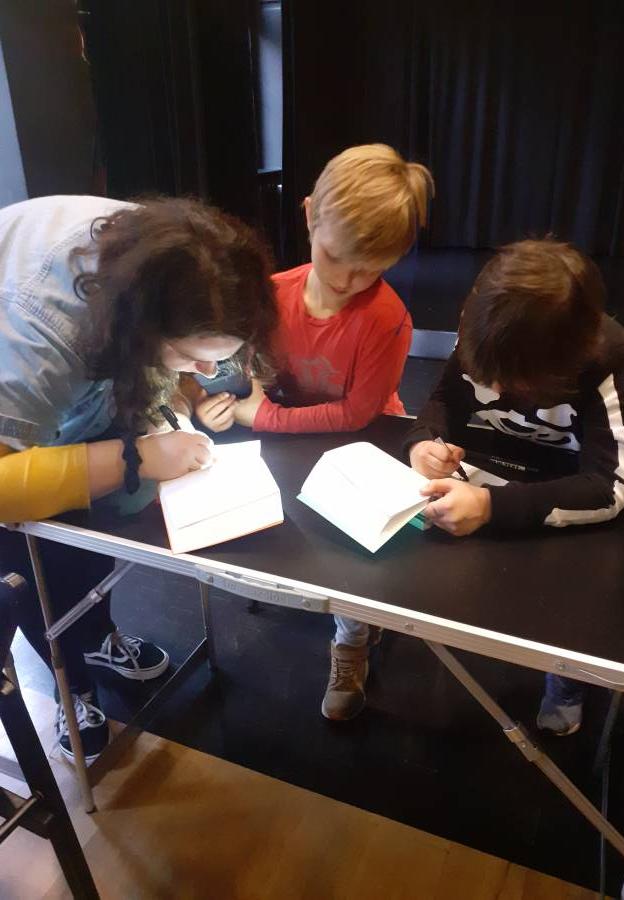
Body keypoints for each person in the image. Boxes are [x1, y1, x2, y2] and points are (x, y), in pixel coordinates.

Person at [0, 194, 276, 761]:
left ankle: (96, 637)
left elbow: (148, 368)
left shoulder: (171, 258)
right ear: (144, 330)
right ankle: (71, 687)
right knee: (30, 557)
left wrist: (161, 413)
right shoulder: (38, 334)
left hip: (77, 366)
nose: (208, 373)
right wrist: (137, 459)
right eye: (194, 357)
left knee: (92, 536)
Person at [192, 144, 434, 721]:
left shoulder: (387, 319)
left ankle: (352, 640)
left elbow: (356, 414)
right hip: (288, 438)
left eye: (370, 269)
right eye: (335, 256)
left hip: (362, 444)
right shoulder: (272, 293)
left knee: (354, 555)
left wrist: (260, 417)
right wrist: (211, 406)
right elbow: (237, 367)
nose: (348, 280)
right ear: (308, 216)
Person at [405, 238, 624, 735]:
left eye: (511, 382)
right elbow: (442, 401)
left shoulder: (611, 366)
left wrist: (491, 507)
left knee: (577, 587)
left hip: (585, 487)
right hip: (513, 464)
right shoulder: (488, 336)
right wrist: (424, 443)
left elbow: (609, 488)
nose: (492, 389)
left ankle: (567, 672)